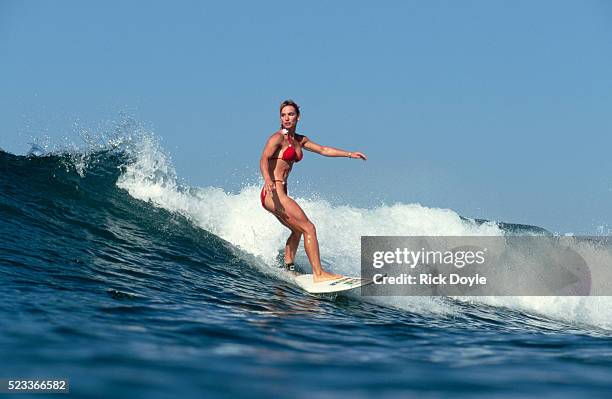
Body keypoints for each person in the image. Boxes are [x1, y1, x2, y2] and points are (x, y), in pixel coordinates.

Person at [259, 100, 367, 283]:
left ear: (298, 117)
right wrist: (268, 180)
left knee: (298, 229)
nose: (286, 118)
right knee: (309, 228)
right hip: (273, 192)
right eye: (283, 115)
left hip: (281, 191)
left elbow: (324, 150)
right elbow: (264, 159)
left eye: (290, 114)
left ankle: (288, 267)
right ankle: (319, 274)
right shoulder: (277, 138)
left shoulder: (300, 140)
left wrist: (349, 154)